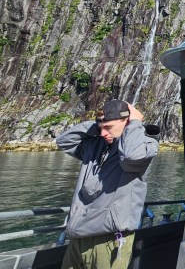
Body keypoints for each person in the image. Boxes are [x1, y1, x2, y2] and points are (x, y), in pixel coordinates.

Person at [56, 99, 160, 269]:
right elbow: (64, 141)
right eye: (101, 128)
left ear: (126, 122)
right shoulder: (96, 145)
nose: (104, 133)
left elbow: (130, 157)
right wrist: (99, 124)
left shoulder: (145, 145)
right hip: (79, 235)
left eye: (109, 127)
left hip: (110, 239)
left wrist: (134, 124)